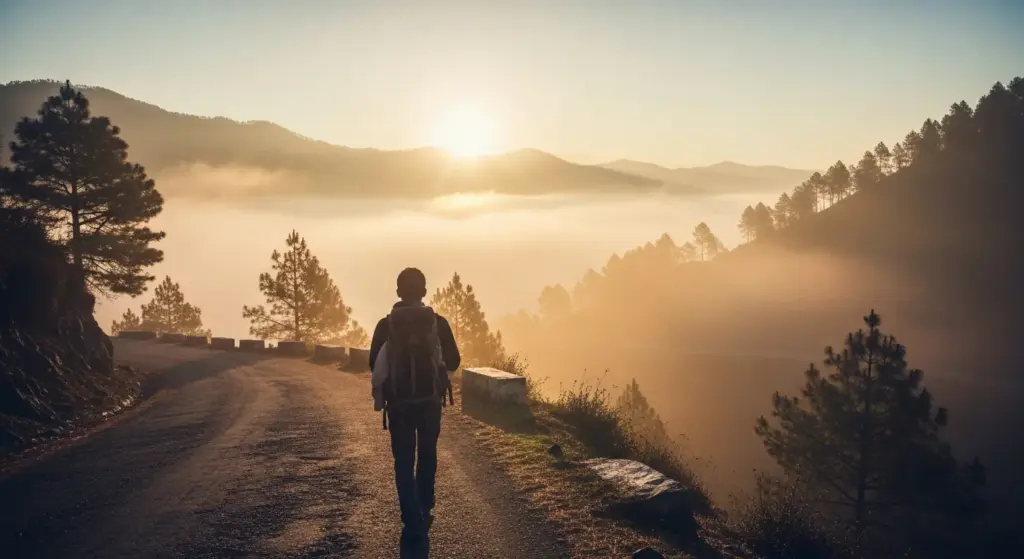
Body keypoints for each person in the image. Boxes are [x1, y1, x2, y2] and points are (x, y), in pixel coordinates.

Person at [369, 267, 460, 541]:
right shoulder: (437, 322)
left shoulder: (386, 325)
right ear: (424, 291)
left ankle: (410, 517)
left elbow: (373, 363)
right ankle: (425, 504)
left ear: (398, 292)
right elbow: (454, 361)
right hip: (430, 401)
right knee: (428, 453)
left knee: (404, 460)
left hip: (398, 404)